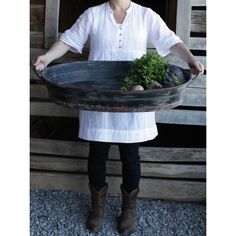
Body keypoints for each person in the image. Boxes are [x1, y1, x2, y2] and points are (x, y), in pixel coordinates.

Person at [34, 0, 204, 234]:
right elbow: (68, 40)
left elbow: (171, 40)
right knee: (98, 151)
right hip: (98, 96)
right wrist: (47, 57)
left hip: (133, 97)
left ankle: (128, 210)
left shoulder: (146, 15)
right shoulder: (93, 14)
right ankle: (98, 208)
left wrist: (190, 59)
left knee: (130, 154)